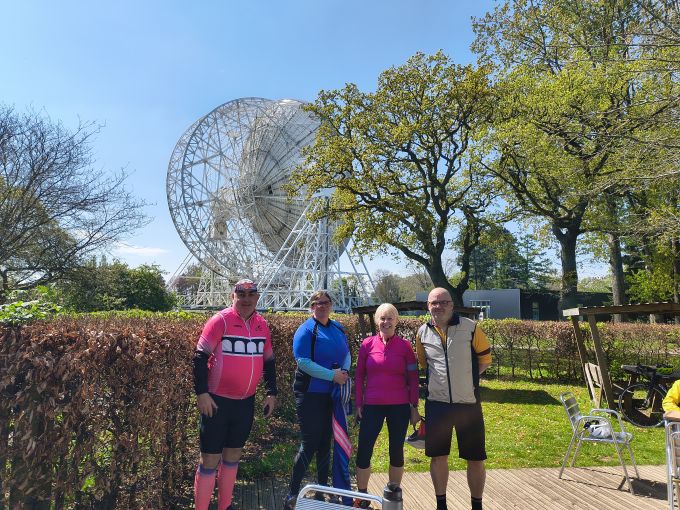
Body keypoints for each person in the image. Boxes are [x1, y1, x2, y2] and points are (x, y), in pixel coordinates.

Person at [192, 279, 278, 510]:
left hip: (244, 404)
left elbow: (269, 361)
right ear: (233, 296)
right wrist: (202, 393)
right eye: (241, 294)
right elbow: (200, 357)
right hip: (217, 402)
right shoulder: (220, 320)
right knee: (209, 460)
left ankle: (225, 506)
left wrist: (271, 392)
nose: (246, 299)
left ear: (257, 298)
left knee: (233, 456)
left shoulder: (262, 324)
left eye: (251, 294)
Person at [416, 287, 492, 510]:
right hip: (437, 405)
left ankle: (476, 505)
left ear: (451, 305)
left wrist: (467, 379)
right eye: (434, 303)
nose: (438, 306)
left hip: (468, 405)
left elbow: (485, 360)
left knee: (475, 458)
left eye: (443, 302)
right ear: (428, 306)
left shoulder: (471, 327)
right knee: (438, 457)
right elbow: (424, 363)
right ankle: (441, 505)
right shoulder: (422, 332)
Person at [283, 290, 351, 510]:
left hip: (331, 395)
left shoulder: (337, 328)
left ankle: (322, 491)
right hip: (309, 395)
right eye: (317, 303)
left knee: (325, 444)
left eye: (326, 302)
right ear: (311, 307)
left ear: (331, 305)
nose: (322, 306)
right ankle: (292, 494)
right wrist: (332, 376)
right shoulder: (305, 330)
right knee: (310, 444)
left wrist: (344, 371)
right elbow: (303, 362)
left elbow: (346, 353)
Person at [353, 303, 420, 508]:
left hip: (399, 406)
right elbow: (359, 376)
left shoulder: (405, 347)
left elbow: (413, 378)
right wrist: (358, 403)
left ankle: (393, 492)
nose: (386, 322)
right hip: (372, 405)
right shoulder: (367, 344)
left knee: (396, 450)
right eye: (382, 318)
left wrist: (414, 406)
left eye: (390, 318)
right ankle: (362, 495)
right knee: (364, 450)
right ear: (377, 321)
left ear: (396, 321)